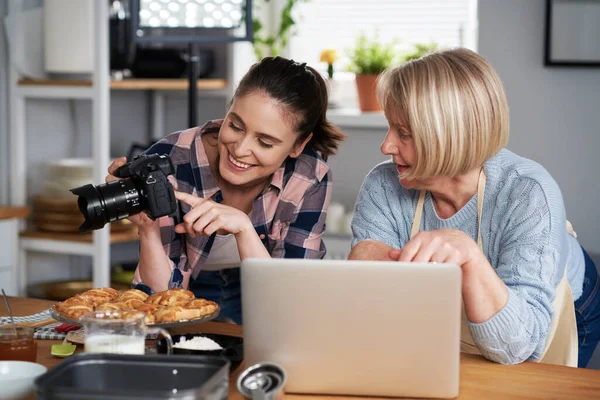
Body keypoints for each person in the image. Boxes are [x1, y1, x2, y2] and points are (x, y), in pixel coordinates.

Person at [349, 48, 600, 368]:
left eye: (404, 134)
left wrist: (469, 257)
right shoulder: (384, 184)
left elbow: (520, 346)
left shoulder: (528, 194)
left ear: (448, 136)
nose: (386, 146)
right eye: (390, 127)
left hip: (569, 306)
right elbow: (370, 300)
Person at [106, 56, 346, 324]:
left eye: (265, 142)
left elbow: (291, 302)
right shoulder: (171, 159)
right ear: (229, 108)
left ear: (298, 145)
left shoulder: (309, 177)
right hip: (190, 287)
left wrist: (244, 228)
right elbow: (161, 300)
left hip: (259, 289)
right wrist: (147, 230)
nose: (240, 150)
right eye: (235, 126)